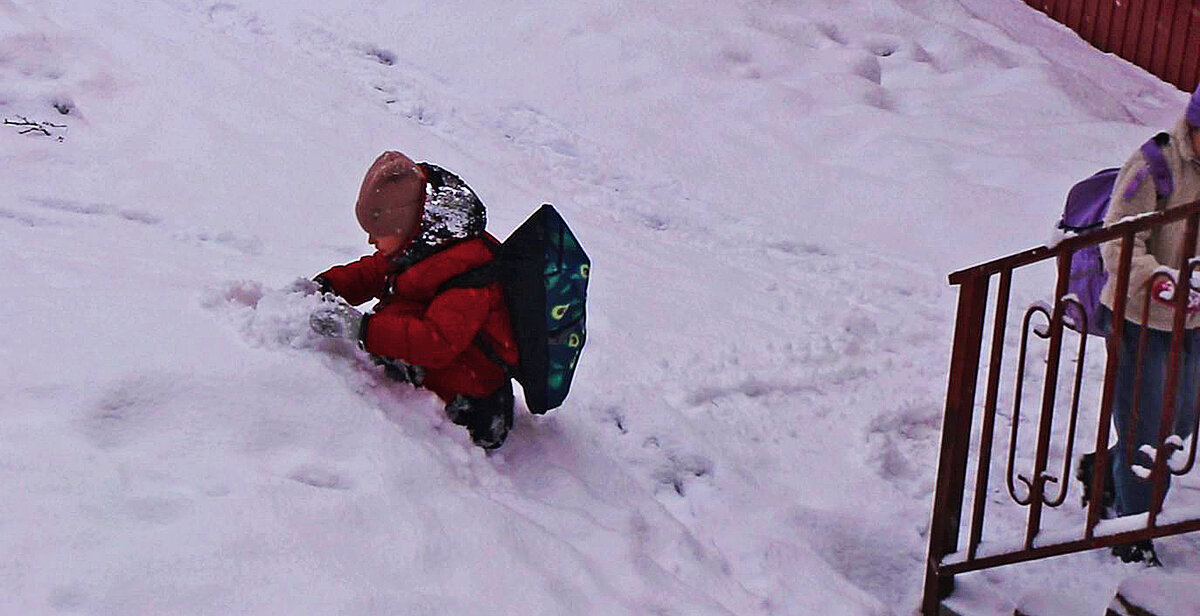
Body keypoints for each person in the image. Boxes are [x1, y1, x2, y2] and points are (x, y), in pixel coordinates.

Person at [303, 151, 519, 449]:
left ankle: (425, 406)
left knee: (395, 324)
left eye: (379, 231)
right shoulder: (425, 245)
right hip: (455, 367)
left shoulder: (470, 276)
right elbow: (375, 272)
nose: (371, 240)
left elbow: (434, 342)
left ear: (405, 226)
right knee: (395, 315)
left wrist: (362, 329)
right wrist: (327, 285)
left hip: (476, 404)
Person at [1087, 86, 1200, 564]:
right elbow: (1118, 239)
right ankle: (1131, 531)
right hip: (1140, 317)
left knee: (1181, 422)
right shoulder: (1155, 164)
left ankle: (1103, 471)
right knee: (1146, 427)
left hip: (1193, 319)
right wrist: (1156, 280)